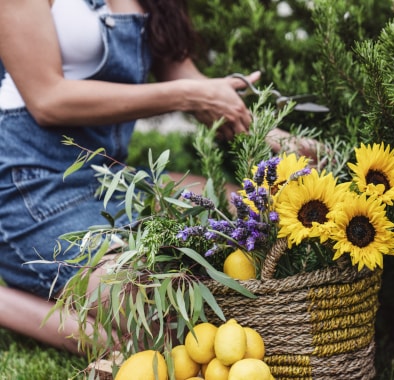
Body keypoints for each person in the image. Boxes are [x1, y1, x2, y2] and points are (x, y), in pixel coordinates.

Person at [0, 0, 318, 354]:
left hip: (111, 181)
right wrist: (186, 96)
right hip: (31, 191)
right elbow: (48, 99)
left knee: (254, 219)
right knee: (167, 324)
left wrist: (281, 140)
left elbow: (193, 84)